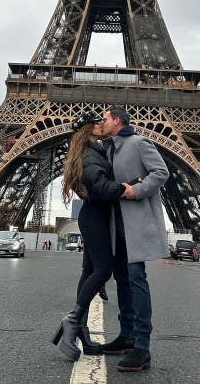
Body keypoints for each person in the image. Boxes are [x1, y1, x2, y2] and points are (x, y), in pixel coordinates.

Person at [100, 106, 169, 372]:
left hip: (134, 223)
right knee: (123, 281)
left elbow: (161, 173)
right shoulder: (108, 147)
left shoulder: (140, 142)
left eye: (105, 118)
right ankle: (126, 335)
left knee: (136, 279)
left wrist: (137, 190)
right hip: (116, 224)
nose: (102, 122)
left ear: (117, 120)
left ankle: (142, 347)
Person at [51, 111, 122, 362]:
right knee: (103, 271)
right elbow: (100, 187)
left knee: (88, 271)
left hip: (95, 216)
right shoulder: (90, 155)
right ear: (89, 129)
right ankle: (72, 321)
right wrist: (127, 187)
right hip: (95, 216)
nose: (101, 124)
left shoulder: (94, 150)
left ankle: (79, 327)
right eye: (97, 122)